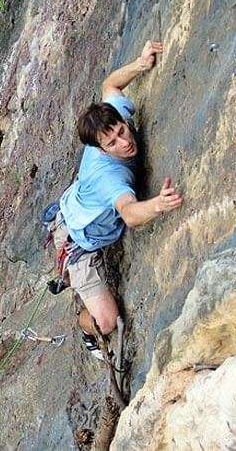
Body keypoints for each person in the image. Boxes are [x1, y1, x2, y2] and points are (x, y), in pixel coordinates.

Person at [48, 40, 183, 359]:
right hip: (80, 240)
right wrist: (158, 205)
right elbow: (130, 214)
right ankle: (85, 328)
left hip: (79, 207)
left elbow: (110, 84)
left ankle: (72, 278)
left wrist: (141, 62)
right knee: (107, 321)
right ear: (100, 149)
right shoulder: (109, 176)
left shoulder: (113, 116)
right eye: (113, 143)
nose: (124, 143)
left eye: (122, 132)